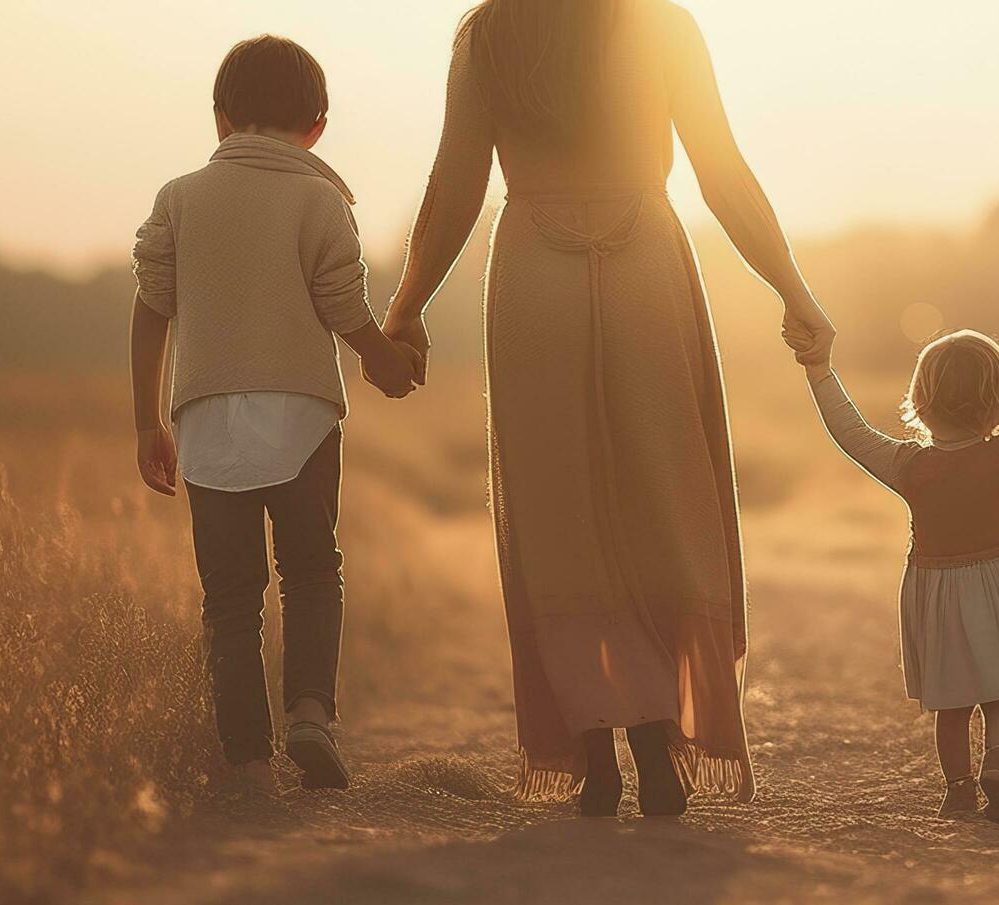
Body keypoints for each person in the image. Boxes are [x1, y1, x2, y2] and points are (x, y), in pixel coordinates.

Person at [382, 0, 836, 817]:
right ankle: (662, 740)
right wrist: (793, 290)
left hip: (533, 278)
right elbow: (722, 170)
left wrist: (406, 304)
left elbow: (454, 185)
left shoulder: (489, 34)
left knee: (559, 516)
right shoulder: (664, 24)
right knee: (662, 502)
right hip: (645, 268)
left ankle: (594, 755)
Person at [128, 35, 421, 794]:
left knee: (230, 599)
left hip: (205, 418)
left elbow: (150, 310)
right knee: (313, 575)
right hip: (303, 417)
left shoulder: (179, 198)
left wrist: (147, 421)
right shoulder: (320, 199)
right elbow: (343, 307)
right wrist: (384, 361)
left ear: (221, 119)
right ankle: (311, 716)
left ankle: (249, 762)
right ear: (317, 125)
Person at [787, 327, 999, 823]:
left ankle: (957, 787)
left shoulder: (907, 465)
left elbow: (850, 431)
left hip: (939, 591)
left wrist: (819, 371)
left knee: (950, 701)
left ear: (921, 399)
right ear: (997, 400)